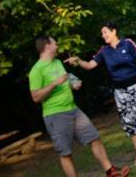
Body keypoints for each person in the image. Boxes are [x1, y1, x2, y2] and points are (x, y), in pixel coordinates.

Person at [65, 23, 136, 165]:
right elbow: (90, 65)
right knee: (130, 123)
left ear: (114, 31)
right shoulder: (104, 51)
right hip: (120, 91)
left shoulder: (127, 44)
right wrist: (78, 60)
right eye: (102, 34)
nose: (103, 36)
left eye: (105, 32)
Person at [28, 35, 128, 177]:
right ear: (47, 46)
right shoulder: (36, 70)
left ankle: (110, 171)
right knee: (65, 152)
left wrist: (72, 84)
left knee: (94, 138)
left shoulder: (57, 62)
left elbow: (64, 80)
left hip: (73, 109)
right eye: (55, 43)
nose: (57, 46)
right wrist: (54, 83)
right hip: (55, 115)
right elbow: (36, 97)